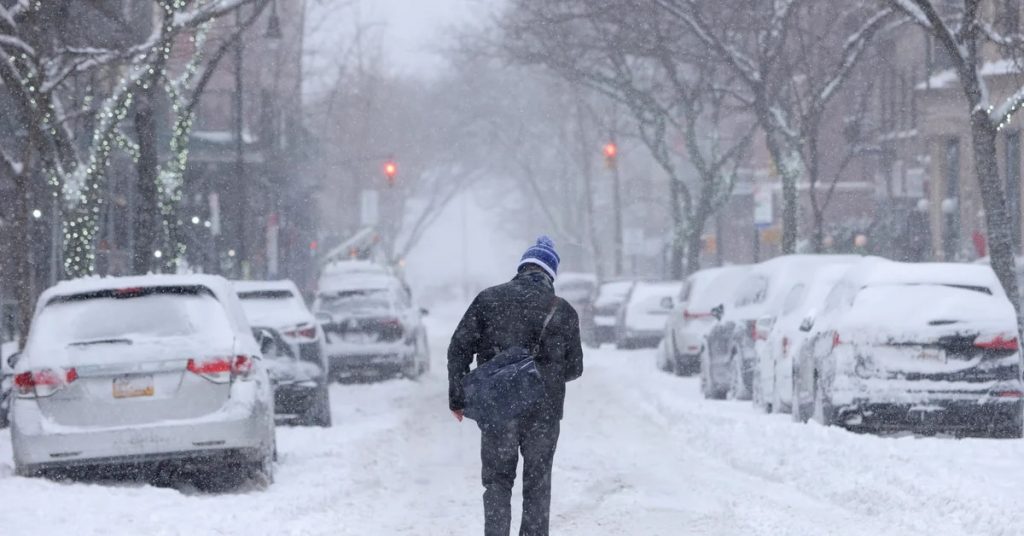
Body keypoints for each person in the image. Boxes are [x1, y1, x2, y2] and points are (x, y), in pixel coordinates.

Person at [448, 236, 585, 536]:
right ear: (550, 274)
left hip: (498, 410)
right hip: (544, 413)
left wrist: (458, 398)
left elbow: (458, 348)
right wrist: (542, 374)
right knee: (537, 485)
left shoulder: (488, 300)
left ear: (522, 267)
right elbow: (575, 368)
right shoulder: (562, 311)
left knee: (497, 481)